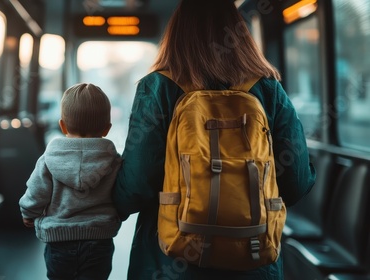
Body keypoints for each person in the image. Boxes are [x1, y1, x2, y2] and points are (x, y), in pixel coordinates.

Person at [112, 1, 316, 279]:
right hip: (254, 258)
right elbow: (295, 182)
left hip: (170, 260)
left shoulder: (157, 86)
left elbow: (138, 183)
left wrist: (110, 205)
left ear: (177, 35)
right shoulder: (269, 88)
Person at [19, 83, 122, 280]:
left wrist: (28, 212)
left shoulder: (49, 159)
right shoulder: (114, 160)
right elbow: (123, 193)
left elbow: (36, 192)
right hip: (99, 241)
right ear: (107, 129)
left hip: (59, 241)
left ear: (63, 126)